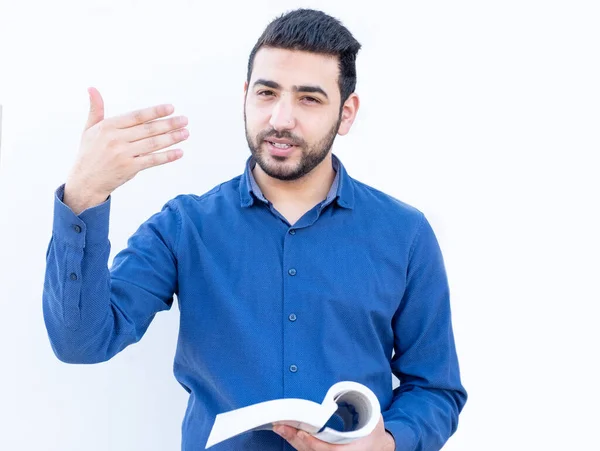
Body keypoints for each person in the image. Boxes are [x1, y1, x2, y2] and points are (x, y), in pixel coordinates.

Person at [43, 8, 467, 451]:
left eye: (309, 98)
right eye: (267, 93)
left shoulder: (405, 234)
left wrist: (389, 442)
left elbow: (436, 389)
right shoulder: (184, 227)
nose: (281, 119)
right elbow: (81, 343)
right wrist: (83, 196)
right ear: (246, 95)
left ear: (346, 112)